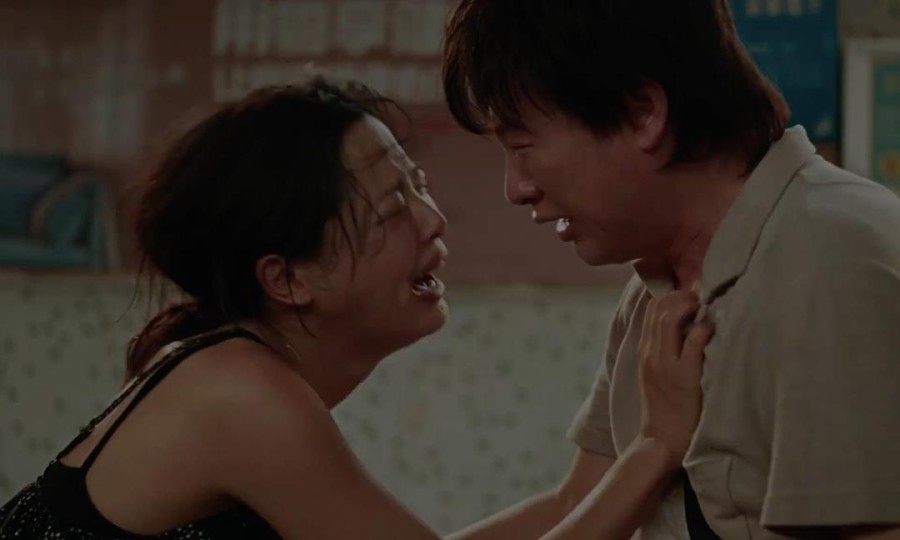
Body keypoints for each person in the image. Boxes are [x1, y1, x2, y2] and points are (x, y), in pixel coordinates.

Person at [0, 78, 711, 539]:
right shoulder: (240, 396)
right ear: (287, 278)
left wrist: (618, 447)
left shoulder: (223, 369)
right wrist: (656, 447)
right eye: (392, 207)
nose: (433, 220)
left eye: (418, 185)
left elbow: (568, 507)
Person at [441, 0, 900, 539]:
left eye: (522, 146)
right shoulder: (654, 291)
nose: (515, 188)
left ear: (642, 114)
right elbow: (578, 502)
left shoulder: (829, 258)